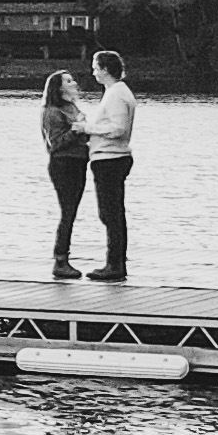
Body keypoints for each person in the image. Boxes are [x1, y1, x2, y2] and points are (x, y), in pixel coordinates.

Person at [79, 49, 138, 280]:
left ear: (105, 69)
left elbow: (118, 128)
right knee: (112, 213)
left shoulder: (116, 94)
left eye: (96, 68)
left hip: (111, 158)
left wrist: (87, 129)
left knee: (110, 213)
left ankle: (115, 265)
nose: (93, 72)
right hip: (110, 157)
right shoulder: (116, 92)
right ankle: (115, 262)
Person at [38, 70, 90, 279]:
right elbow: (55, 144)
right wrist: (76, 130)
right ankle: (60, 259)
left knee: (72, 211)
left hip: (79, 162)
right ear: (58, 88)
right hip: (63, 164)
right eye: (68, 81)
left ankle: (63, 257)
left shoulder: (72, 107)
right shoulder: (52, 111)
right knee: (67, 211)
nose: (74, 83)